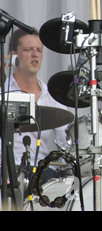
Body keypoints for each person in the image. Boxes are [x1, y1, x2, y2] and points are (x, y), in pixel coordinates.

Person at [1, 29, 69, 187]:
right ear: (13, 55)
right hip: (4, 172)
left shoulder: (52, 96)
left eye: (39, 50)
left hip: (41, 174)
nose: (35, 54)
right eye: (28, 49)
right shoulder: (2, 91)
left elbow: (66, 144)